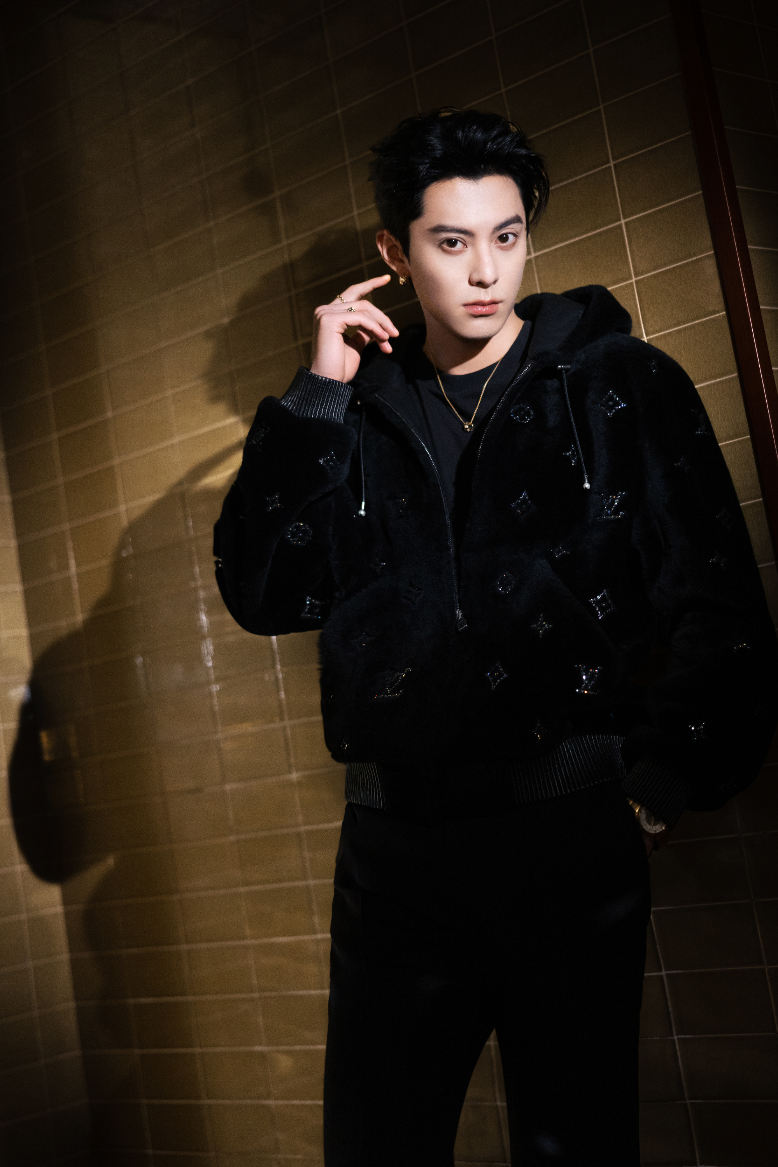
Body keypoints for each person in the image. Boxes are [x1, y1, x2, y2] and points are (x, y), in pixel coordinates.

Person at [214, 108, 778, 1166]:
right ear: (395, 253)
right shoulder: (353, 412)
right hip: (394, 853)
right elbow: (264, 593)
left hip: (568, 835)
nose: (485, 271)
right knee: (376, 1143)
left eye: (506, 236)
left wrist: (659, 781)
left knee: (574, 1140)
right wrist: (318, 394)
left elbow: (716, 595)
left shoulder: (619, 384)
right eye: (451, 241)